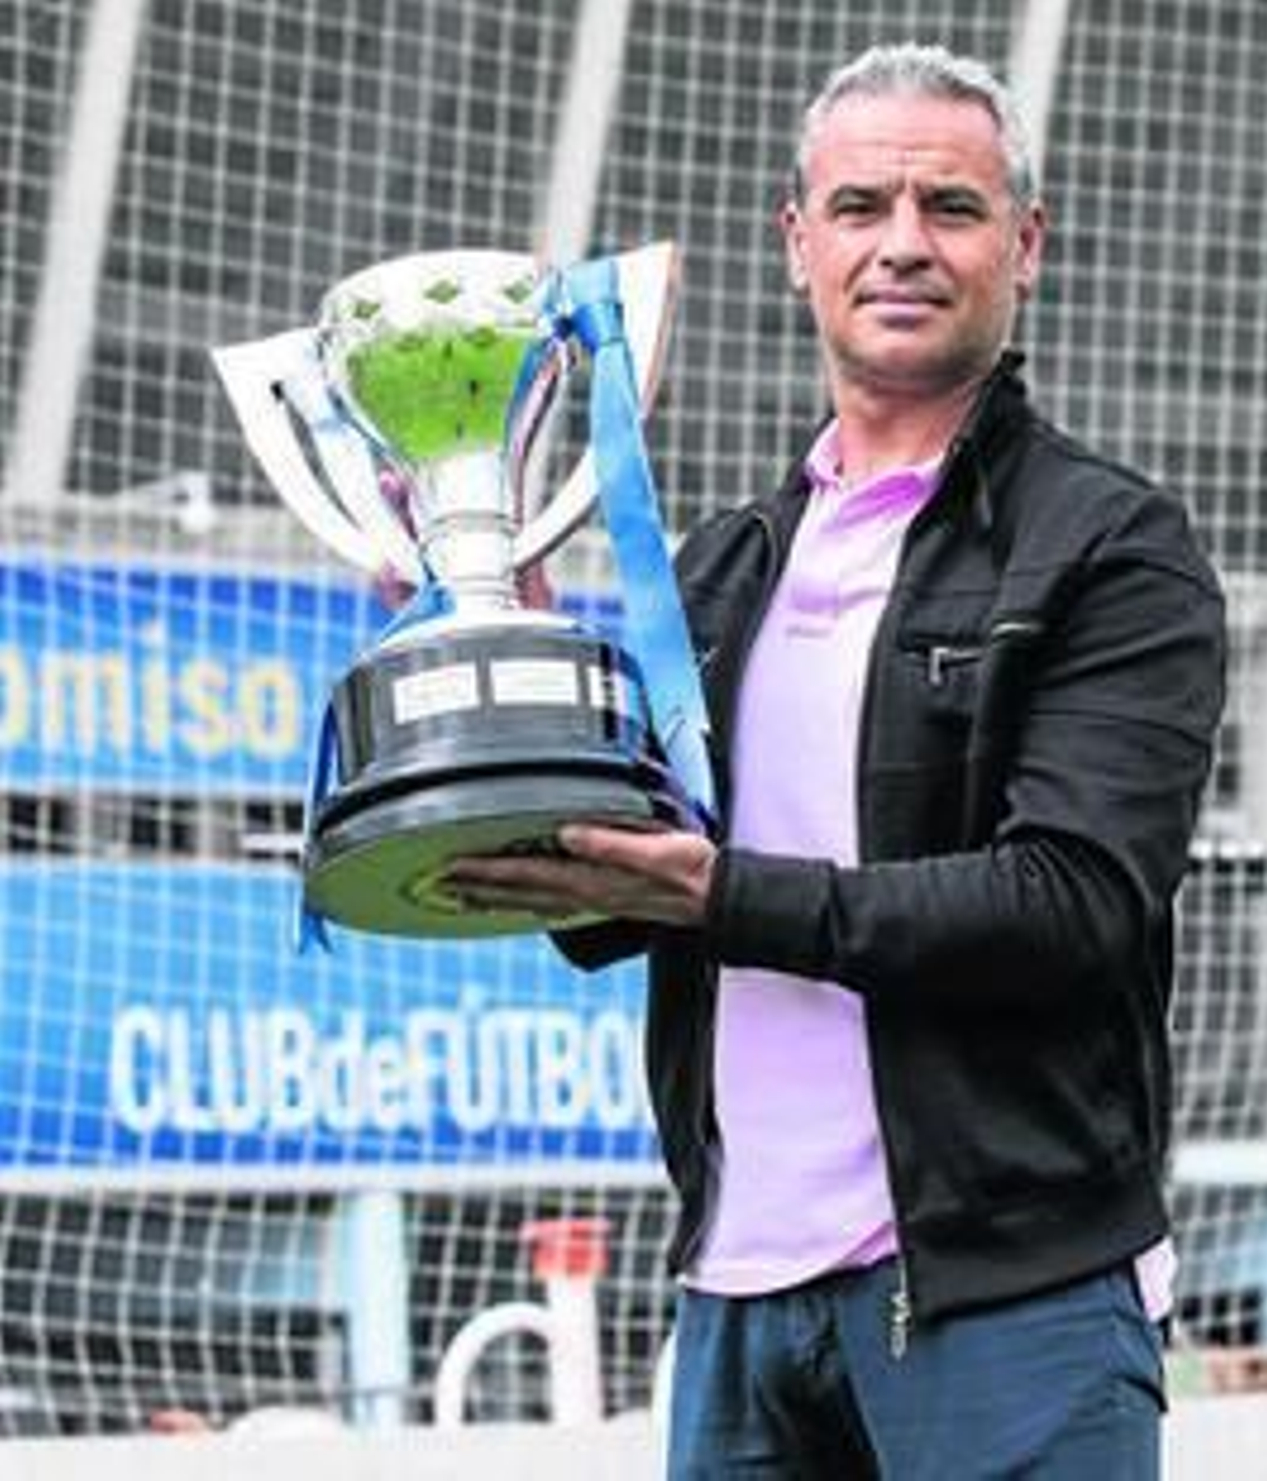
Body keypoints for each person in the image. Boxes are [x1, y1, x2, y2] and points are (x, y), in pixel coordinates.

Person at [445, 41, 1226, 1478]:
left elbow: (1070, 904)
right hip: (737, 1304)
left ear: (1026, 245)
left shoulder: (1113, 550)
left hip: (1012, 1300)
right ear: (798, 244)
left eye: (953, 207)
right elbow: (615, 911)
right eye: (862, 207)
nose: (905, 245)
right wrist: (513, 696)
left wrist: (722, 893)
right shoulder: (724, 567)